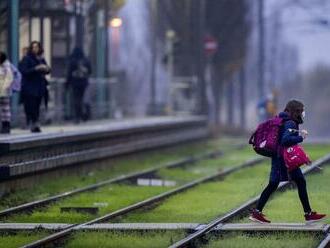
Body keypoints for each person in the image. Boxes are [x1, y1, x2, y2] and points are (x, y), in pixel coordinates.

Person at [249, 99, 326, 224]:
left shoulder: (284, 120)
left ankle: (257, 212)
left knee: (279, 183)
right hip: (283, 158)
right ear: (296, 111)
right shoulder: (290, 123)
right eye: (301, 111)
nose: (303, 113)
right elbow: (285, 140)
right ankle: (308, 214)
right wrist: (301, 137)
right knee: (295, 182)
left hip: (278, 157)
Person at [19, 41, 50, 133]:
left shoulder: (41, 59)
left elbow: (48, 69)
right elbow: (24, 71)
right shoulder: (27, 59)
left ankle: (35, 123)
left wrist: (46, 68)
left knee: (37, 105)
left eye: (37, 47)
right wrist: (36, 69)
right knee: (31, 105)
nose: (35, 49)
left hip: (40, 87)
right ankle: (33, 123)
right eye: (33, 47)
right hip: (30, 87)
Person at [66, 47, 91, 123]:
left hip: (75, 83)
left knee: (76, 100)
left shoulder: (72, 61)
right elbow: (90, 71)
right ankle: (84, 115)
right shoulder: (86, 61)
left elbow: (69, 73)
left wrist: (67, 84)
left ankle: (77, 116)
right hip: (84, 83)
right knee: (83, 99)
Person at [0, 52, 14, 134]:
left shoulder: (6, 65)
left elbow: (9, 77)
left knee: (5, 108)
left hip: (4, 90)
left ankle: (6, 125)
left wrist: (4, 88)